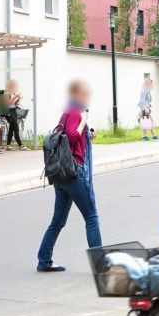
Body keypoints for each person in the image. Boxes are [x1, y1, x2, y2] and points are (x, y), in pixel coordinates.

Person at [37, 79, 102, 272]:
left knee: (58, 221)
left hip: (62, 175)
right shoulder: (75, 113)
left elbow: (68, 138)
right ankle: (100, 266)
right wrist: (83, 120)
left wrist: (87, 134)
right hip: (75, 173)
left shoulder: (66, 113)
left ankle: (44, 260)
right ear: (77, 94)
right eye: (85, 93)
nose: (87, 97)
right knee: (92, 217)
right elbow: (73, 136)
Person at [4, 79, 28, 150]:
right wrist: (16, 96)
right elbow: (8, 104)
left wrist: (19, 98)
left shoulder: (14, 93)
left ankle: (8, 145)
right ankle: (20, 145)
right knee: (16, 127)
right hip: (9, 112)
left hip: (15, 111)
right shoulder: (6, 93)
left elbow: (15, 103)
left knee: (12, 128)